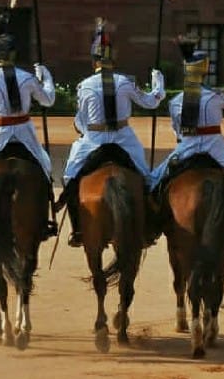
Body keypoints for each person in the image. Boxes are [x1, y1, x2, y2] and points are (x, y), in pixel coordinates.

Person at [60, 19, 165, 247]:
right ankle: (147, 224)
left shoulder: (84, 85)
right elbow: (151, 102)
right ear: (112, 59)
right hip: (123, 137)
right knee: (146, 177)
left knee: (70, 176)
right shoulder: (125, 82)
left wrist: (81, 129)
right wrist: (159, 84)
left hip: (94, 139)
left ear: (94, 60)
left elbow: (82, 120)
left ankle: (77, 228)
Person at [0, 33, 56, 241]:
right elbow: (48, 100)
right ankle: (46, 216)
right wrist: (46, 77)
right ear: (14, 53)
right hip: (25, 134)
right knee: (45, 167)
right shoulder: (28, 78)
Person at [150, 40, 224, 197]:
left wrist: (156, 81)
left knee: (155, 178)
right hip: (215, 148)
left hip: (187, 147)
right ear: (205, 69)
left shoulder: (175, 102)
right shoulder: (217, 95)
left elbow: (177, 132)